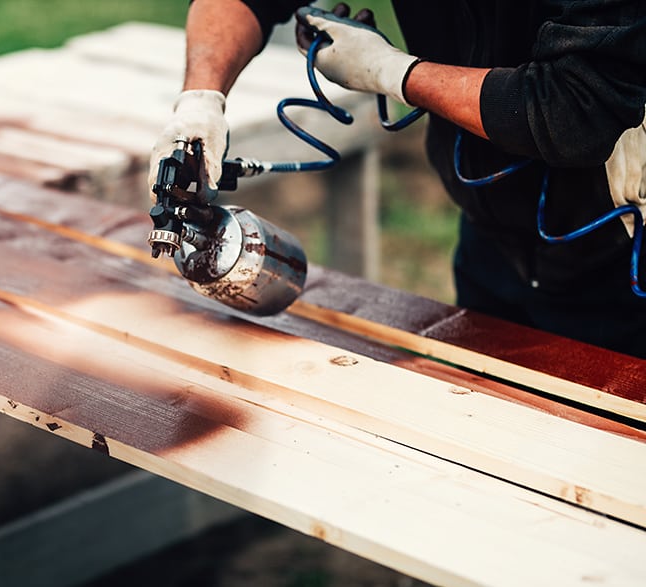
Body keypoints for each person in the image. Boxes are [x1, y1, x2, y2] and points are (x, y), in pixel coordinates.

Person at [148, 0, 646, 358]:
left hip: (623, 252)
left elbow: (574, 107)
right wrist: (199, 100)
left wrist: (391, 71)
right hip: (492, 236)